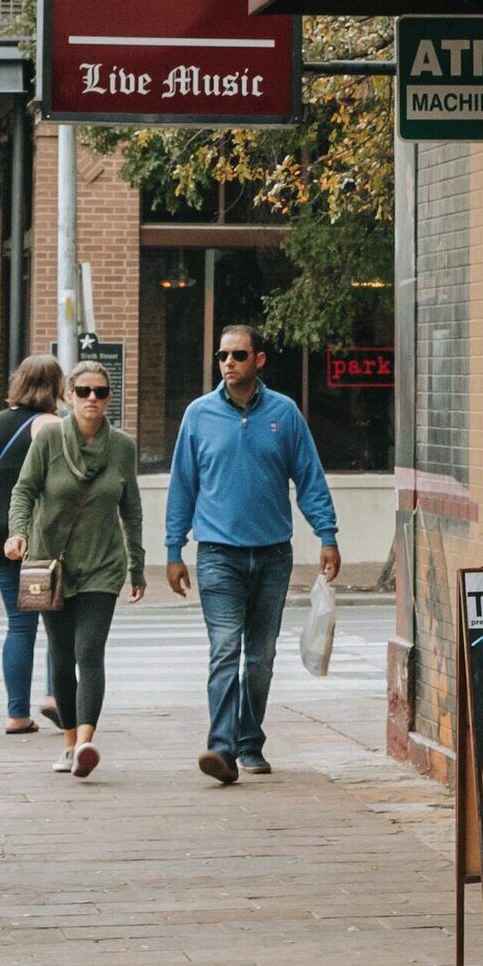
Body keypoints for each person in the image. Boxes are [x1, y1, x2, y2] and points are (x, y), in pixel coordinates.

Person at [164, 324, 340, 784]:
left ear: (258, 360)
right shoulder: (198, 415)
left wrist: (327, 534)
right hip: (218, 555)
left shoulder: (285, 413)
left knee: (260, 656)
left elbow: (309, 478)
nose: (228, 363)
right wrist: (173, 548)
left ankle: (250, 742)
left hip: (272, 555)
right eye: (222, 355)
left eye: (238, 355)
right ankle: (221, 748)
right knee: (225, 648)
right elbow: (183, 484)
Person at [7, 357, 145, 780]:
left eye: (100, 392)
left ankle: (85, 742)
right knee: (62, 658)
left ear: (108, 399)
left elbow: (132, 509)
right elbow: (24, 490)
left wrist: (137, 566)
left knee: (90, 652)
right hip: (53, 567)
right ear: (68, 395)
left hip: (103, 566)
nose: (91, 399)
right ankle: (68, 743)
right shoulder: (49, 439)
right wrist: (18, 534)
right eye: (83, 391)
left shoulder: (122, 447)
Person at [0, 356, 62, 732]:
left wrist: (0, 518)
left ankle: (17, 714)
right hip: (39, 540)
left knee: (19, 625)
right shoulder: (52, 425)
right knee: (58, 622)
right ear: (55, 387)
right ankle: (56, 696)